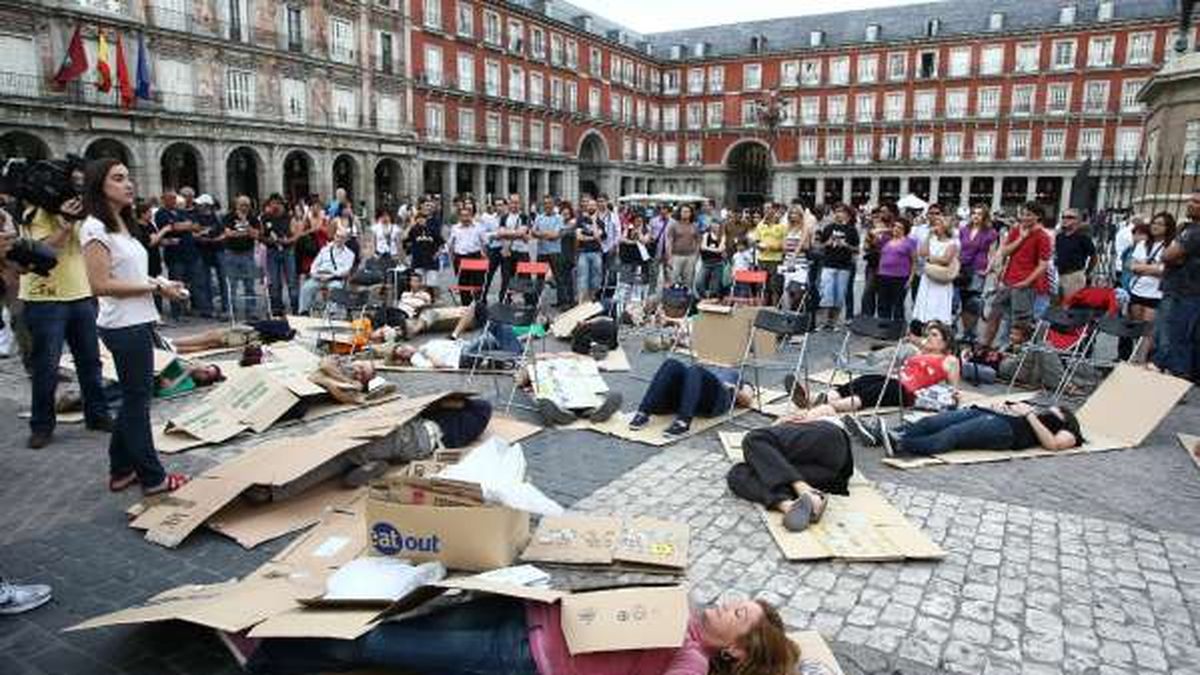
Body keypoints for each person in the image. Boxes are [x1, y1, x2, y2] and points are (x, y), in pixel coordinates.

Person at [240, 594, 798, 675]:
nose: (726, 604)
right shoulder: (681, 604)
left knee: (374, 646)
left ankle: (267, 651)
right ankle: (283, 642)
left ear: (735, 649)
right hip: (523, 610)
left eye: (738, 613)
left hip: (521, 654)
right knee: (392, 625)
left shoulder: (692, 659)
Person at [79, 159, 189, 496]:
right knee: (137, 402)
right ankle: (153, 478)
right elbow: (100, 284)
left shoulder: (121, 224)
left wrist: (161, 283)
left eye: (128, 177)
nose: (128, 184)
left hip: (137, 320)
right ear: (99, 186)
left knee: (134, 398)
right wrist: (155, 289)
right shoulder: (94, 228)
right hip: (123, 326)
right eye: (118, 178)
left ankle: (122, 469)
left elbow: (131, 275)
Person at [17, 176, 111, 449]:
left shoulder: (86, 215)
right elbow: (41, 252)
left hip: (81, 295)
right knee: (46, 366)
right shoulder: (35, 214)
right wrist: (65, 224)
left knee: (90, 362)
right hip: (45, 300)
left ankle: (97, 415)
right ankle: (42, 426)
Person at [790, 321, 959, 426]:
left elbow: (954, 390)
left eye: (934, 335)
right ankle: (813, 399)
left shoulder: (949, 360)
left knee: (871, 392)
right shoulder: (919, 353)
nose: (929, 337)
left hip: (908, 391)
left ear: (945, 342)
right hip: (895, 380)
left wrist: (953, 396)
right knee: (864, 380)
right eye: (928, 334)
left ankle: (825, 408)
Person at [727, 418, 855, 532]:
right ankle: (789, 505)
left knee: (754, 438)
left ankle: (803, 489)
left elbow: (824, 409)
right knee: (738, 473)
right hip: (827, 476)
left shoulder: (815, 417)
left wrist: (790, 419)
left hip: (829, 437)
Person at [881, 401, 1083, 457]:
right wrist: (1008, 407)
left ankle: (901, 444)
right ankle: (883, 434)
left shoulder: (1069, 430)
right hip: (996, 415)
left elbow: (1053, 445)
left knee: (952, 435)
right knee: (931, 422)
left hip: (1008, 430)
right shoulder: (1044, 412)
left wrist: (1030, 414)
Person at [980, 202, 1053, 348]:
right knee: (995, 312)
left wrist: (1027, 281)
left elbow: (1043, 264)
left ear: (1038, 217)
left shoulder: (1043, 236)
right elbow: (1005, 252)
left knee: (1020, 321)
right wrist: (1021, 238)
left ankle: (1017, 351)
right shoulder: (1017, 230)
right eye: (1023, 214)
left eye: (1028, 215)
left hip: (1025, 284)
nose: (1024, 218)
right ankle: (985, 345)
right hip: (1008, 280)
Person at [629, 358, 756, 437]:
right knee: (671, 363)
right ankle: (643, 413)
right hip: (687, 399)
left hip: (715, 401)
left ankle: (683, 422)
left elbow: (748, 401)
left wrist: (733, 388)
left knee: (695, 370)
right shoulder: (701, 369)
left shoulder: (735, 374)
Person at [1155, 190, 1200, 381]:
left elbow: (1167, 255)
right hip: (1178, 290)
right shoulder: (1187, 228)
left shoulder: (1195, 232)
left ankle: (1176, 379)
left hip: (1184, 293)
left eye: (1196, 202)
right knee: (1170, 337)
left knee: (1176, 339)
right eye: (1190, 200)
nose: (1190, 204)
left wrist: (1172, 255)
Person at [1126, 212, 1173, 362]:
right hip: (1138, 290)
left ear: (1168, 227)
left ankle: (1142, 360)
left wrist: (1143, 267)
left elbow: (1165, 271)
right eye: (1154, 223)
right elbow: (1132, 266)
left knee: (1149, 331)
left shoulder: (1170, 246)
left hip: (1156, 294)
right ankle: (1137, 357)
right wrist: (1154, 268)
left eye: (1160, 224)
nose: (1155, 226)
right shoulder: (1142, 244)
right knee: (1137, 328)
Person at [957, 205, 999, 342]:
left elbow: (992, 253)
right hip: (962, 268)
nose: (976, 216)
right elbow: (958, 248)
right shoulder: (964, 230)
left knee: (973, 302)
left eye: (979, 214)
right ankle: (966, 332)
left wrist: (988, 269)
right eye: (974, 213)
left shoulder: (990, 232)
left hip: (978, 268)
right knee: (963, 300)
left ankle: (972, 333)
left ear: (985, 217)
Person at [815, 204, 860, 329]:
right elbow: (819, 246)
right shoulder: (828, 228)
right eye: (836, 211)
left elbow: (857, 249)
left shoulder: (851, 230)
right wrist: (827, 243)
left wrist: (846, 245)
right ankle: (824, 322)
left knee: (839, 296)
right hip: (828, 264)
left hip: (844, 266)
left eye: (841, 211)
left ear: (847, 215)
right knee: (826, 294)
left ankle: (834, 322)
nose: (838, 214)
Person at [912, 212, 959, 325]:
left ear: (945, 227)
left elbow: (946, 259)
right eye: (935, 225)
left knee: (937, 303)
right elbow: (922, 253)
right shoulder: (932, 239)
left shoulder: (952, 243)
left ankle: (937, 324)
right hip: (928, 276)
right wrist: (928, 236)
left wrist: (930, 258)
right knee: (925, 302)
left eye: (938, 225)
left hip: (940, 276)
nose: (935, 227)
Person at [298, 224, 356, 314]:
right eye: (337, 236)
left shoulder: (350, 254)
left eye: (342, 237)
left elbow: (346, 271)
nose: (339, 239)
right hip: (320, 276)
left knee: (335, 288)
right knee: (306, 287)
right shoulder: (325, 249)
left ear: (346, 239)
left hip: (335, 278)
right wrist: (315, 274)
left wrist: (331, 275)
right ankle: (304, 312)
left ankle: (331, 314)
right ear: (334, 236)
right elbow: (314, 265)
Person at [223, 195, 261, 320]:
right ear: (236, 205)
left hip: (247, 253)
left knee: (249, 283)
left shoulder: (253, 218)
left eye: (247, 205)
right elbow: (228, 233)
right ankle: (231, 311)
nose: (245, 207)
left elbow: (256, 235)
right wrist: (245, 233)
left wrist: (245, 224)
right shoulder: (229, 217)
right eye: (242, 205)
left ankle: (251, 311)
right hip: (231, 253)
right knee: (231, 284)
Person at [261, 194, 300, 316]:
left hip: (288, 251)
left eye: (278, 203)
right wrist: (269, 241)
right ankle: (276, 309)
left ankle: (296, 308)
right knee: (274, 282)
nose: (275, 206)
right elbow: (261, 236)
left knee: (292, 282)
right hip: (272, 251)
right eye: (273, 203)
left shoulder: (289, 218)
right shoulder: (265, 218)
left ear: (282, 205)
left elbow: (296, 235)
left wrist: (287, 241)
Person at [874, 219, 918, 322]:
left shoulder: (909, 242)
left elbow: (914, 261)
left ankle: (898, 327)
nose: (896, 229)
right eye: (895, 226)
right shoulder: (887, 240)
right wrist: (888, 229)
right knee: (883, 303)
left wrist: (911, 279)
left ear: (905, 230)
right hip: (883, 275)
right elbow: (874, 233)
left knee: (898, 304)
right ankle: (884, 326)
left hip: (900, 277)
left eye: (900, 227)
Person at [194, 194, 227, 318]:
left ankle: (226, 307)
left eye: (200, 204)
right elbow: (193, 234)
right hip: (203, 251)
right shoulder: (196, 217)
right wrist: (200, 237)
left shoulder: (218, 217)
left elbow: (225, 232)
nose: (198, 206)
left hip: (218, 249)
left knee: (223, 280)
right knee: (204, 281)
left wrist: (217, 239)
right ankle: (207, 309)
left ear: (207, 205)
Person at [532, 196, 568, 307]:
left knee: (559, 278)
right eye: (545, 203)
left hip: (555, 252)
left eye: (549, 203)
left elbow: (556, 235)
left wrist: (541, 234)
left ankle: (562, 302)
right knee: (539, 278)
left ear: (553, 204)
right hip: (541, 252)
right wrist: (548, 234)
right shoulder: (539, 217)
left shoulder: (559, 218)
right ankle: (536, 302)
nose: (547, 205)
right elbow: (533, 232)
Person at [1055, 208, 1096, 302]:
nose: (1065, 219)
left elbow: (1094, 256)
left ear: (1078, 220)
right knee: (1060, 304)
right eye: (1063, 217)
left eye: (1070, 217)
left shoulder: (1083, 237)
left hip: (1074, 276)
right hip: (1060, 275)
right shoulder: (1060, 236)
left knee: (1071, 304)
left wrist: (1087, 272)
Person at [447, 205, 486, 305]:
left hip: (475, 256)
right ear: (459, 217)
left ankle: (477, 304)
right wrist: (452, 259)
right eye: (463, 216)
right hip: (460, 257)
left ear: (471, 216)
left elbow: (484, 242)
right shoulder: (455, 228)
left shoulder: (478, 227)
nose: (465, 218)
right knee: (463, 284)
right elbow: (450, 245)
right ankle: (465, 305)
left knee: (478, 283)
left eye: (467, 216)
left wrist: (485, 256)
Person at [496, 195, 531, 300]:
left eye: (516, 202)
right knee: (506, 278)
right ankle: (504, 300)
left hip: (522, 251)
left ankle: (529, 302)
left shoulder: (524, 217)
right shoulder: (504, 217)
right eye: (512, 202)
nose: (514, 205)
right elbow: (500, 233)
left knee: (525, 278)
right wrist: (518, 234)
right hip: (508, 251)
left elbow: (522, 232)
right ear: (509, 204)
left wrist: (508, 233)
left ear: (520, 204)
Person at [753, 207, 786, 306]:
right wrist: (759, 246)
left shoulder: (781, 226)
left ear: (774, 212)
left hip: (775, 260)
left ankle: (774, 307)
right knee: (761, 285)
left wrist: (775, 247)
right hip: (762, 259)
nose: (768, 212)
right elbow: (756, 241)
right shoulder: (760, 225)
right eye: (766, 210)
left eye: (770, 210)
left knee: (774, 286)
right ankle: (762, 307)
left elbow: (784, 245)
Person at [575, 197, 606, 303]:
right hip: (583, 252)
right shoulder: (580, 220)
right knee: (582, 278)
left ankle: (592, 299)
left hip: (596, 252)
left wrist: (593, 221)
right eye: (589, 205)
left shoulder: (600, 222)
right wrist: (592, 238)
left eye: (593, 205)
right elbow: (579, 237)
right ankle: (581, 302)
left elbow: (598, 236)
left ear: (596, 207)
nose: (591, 207)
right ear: (587, 207)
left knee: (596, 279)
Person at [665, 204, 702, 290]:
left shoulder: (694, 226)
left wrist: (696, 255)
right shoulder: (674, 225)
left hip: (690, 257)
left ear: (691, 213)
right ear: (680, 213)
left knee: (688, 282)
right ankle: (672, 297)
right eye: (684, 211)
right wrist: (669, 257)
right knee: (673, 280)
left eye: (688, 212)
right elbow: (669, 242)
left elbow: (698, 241)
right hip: (676, 256)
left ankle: (687, 297)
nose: (685, 213)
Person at [404, 211, 444, 287]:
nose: (421, 220)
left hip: (431, 262)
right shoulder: (413, 230)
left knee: (432, 285)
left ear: (426, 219)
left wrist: (437, 254)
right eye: (418, 218)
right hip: (418, 262)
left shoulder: (432, 230)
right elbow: (404, 238)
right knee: (419, 285)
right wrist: (410, 226)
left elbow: (441, 243)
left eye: (423, 218)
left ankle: (432, 295)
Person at [698, 218, 726, 299]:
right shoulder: (706, 235)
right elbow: (702, 247)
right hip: (706, 263)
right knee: (699, 282)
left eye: (717, 224)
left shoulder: (722, 236)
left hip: (718, 263)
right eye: (713, 224)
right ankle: (704, 297)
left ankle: (713, 298)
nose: (715, 226)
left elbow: (720, 250)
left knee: (715, 285)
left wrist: (708, 248)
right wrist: (715, 250)